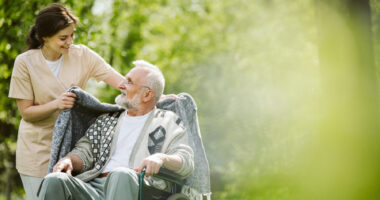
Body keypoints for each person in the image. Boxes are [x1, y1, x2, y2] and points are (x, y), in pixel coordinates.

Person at [8, 3, 125, 199]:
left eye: (72, 35)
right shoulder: (25, 62)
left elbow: (121, 82)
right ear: (45, 36)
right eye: (63, 38)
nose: (70, 41)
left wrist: (155, 94)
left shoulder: (83, 56)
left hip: (71, 149)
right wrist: (57, 104)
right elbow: (26, 112)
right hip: (36, 151)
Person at [37, 60, 194, 200]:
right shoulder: (107, 120)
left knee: (121, 174)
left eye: (129, 82)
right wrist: (69, 160)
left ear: (147, 94)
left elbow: (186, 160)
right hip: (94, 186)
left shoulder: (168, 121)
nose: (120, 85)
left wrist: (161, 158)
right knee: (55, 180)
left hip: (140, 187)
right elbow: (84, 152)